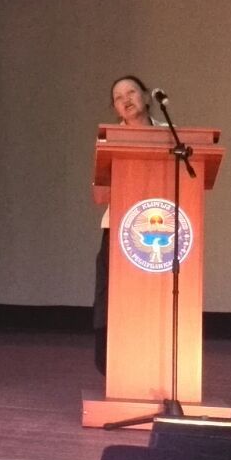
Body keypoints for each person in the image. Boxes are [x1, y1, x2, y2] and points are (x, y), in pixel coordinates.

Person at [94, 75, 159, 375]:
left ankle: (156, 360)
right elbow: (99, 194)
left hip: (160, 229)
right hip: (119, 229)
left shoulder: (170, 136)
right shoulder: (110, 139)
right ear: (115, 109)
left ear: (146, 96)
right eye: (118, 98)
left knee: (154, 296)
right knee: (114, 296)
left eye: (131, 92)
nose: (126, 100)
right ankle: (115, 364)